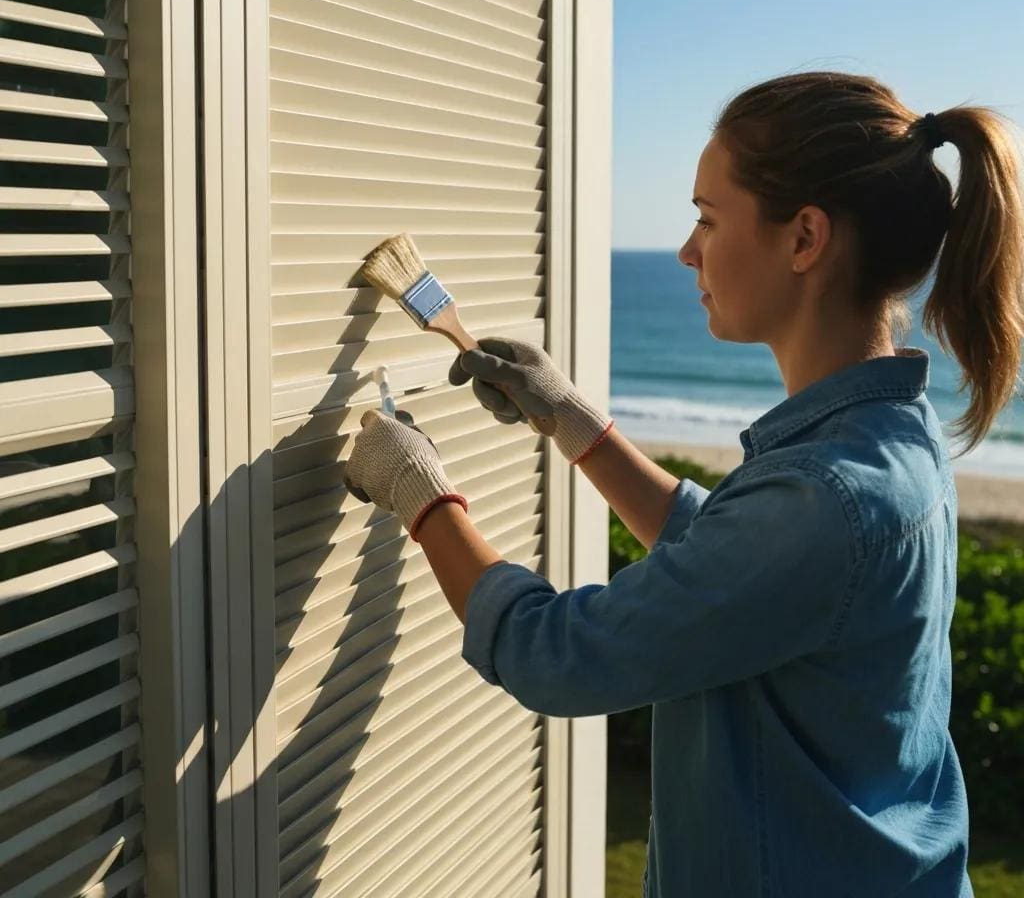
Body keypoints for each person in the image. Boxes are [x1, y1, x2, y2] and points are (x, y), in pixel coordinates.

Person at [343, 71, 1024, 897]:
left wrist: (421, 494)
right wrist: (573, 421)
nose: (686, 249)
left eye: (707, 217)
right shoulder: (887, 439)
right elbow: (734, 558)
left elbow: (559, 654)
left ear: (805, 238)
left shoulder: (827, 495)